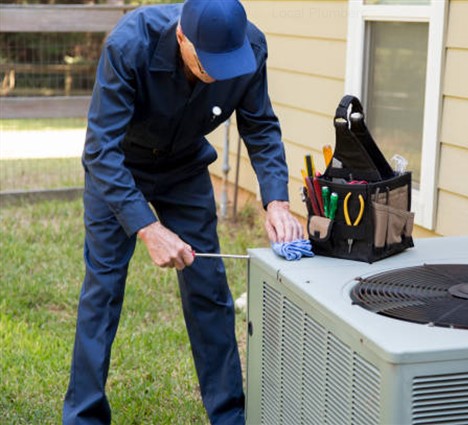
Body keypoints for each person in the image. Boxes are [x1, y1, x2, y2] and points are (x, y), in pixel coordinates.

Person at [62, 1, 303, 423]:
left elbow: (260, 125)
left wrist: (276, 201)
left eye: (226, 62)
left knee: (208, 288)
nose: (216, 73)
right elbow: (100, 150)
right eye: (207, 62)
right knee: (102, 291)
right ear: (180, 38)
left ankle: (229, 416)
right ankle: (83, 416)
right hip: (120, 165)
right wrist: (148, 227)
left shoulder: (251, 49)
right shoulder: (129, 44)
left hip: (185, 166)